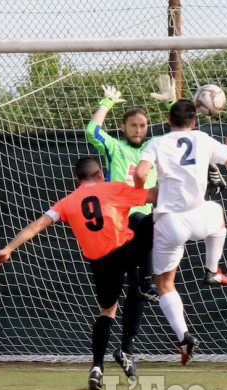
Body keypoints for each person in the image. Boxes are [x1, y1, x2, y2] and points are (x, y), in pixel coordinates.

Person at [0, 156, 157, 390]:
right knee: (150, 218)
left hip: (100, 263)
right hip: (123, 250)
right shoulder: (114, 188)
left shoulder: (67, 201)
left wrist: (8, 248)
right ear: (100, 175)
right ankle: (148, 284)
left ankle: (97, 366)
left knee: (107, 311)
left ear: (77, 180)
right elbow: (153, 196)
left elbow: (37, 225)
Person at [134, 99, 227, 365]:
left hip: (169, 223)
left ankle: (183, 336)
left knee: (164, 284)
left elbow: (140, 174)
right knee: (218, 212)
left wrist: (142, 186)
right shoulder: (202, 138)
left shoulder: (156, 143)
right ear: (194, 121)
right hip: (198, 216)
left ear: (167, 121)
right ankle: (212, 270)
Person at [85, 84, 159, 303]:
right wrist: (106, 103)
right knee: (115, 296)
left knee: (135, 296)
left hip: (141, 226)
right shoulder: (115, 148)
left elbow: (182, 134)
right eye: (133, 125)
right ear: (123, 127)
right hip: (119, 222)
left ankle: (129, 337)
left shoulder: (154, 149)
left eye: (142, 125)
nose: (138, 129)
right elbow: (92, 131)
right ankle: (146, 284)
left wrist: (172, 104)